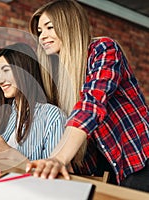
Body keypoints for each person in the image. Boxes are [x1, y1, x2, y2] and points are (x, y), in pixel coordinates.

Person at [25, 0, 149, 192]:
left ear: (69, 25)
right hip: (102, 166)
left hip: (137, 158)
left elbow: (91, 104)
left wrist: (58, 158)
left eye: (49, 27)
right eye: (40, 31)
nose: (43, 36)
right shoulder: (59, 74)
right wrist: (52, 160)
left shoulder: (104, 49)